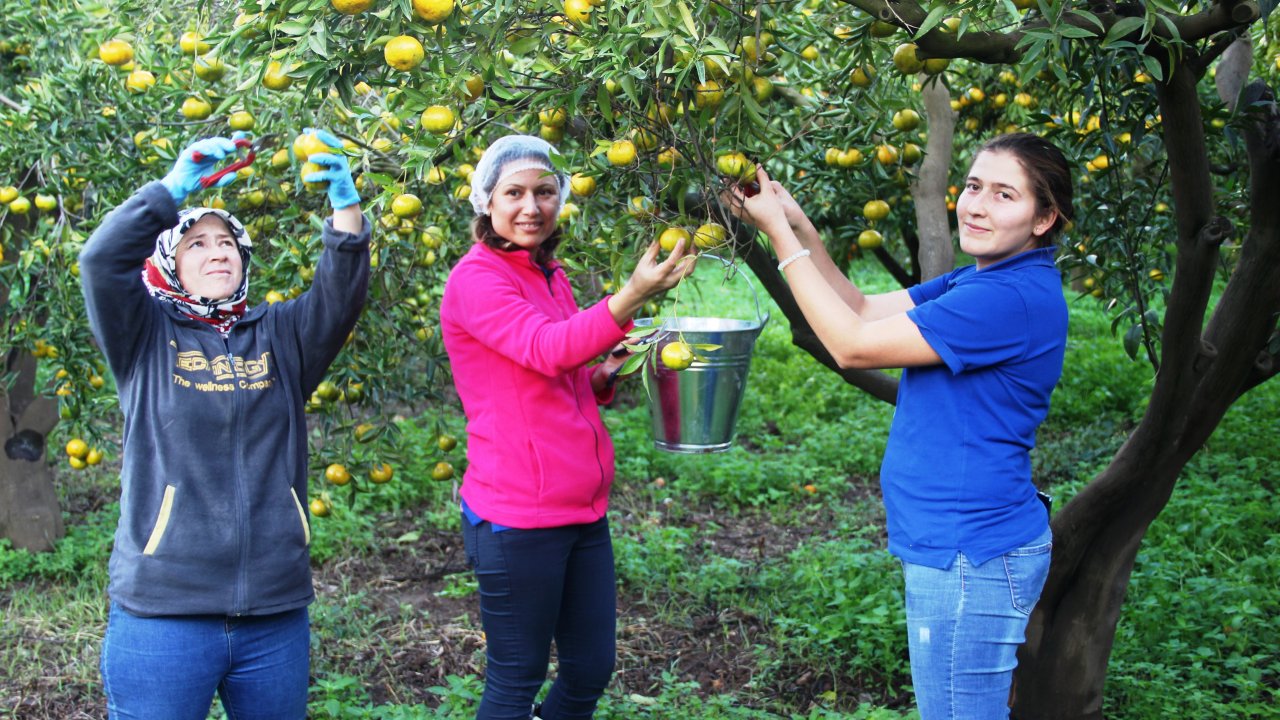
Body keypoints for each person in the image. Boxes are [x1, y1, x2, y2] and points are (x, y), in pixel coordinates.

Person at [724, 132, 1073, 720]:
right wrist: (798, 224)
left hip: (971, 554)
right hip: (959, 546)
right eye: (973, 186)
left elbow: (852, 346)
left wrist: (778, 237)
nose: (976, 205)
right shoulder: (980, 281)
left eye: (1004, 195)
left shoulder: (1008, 299)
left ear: (1044, 218)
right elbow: (860, 307)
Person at [79, 128, 370, 719]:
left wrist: (346, 209)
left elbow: (339, 300)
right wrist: (170, 190)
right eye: (195, 243)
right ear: (166, 262)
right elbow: (100, 260)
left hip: (274, 613)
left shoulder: (281, 336)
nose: (217, 252)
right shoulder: (142, 336)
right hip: (164, 613)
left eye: (227, 243)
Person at [439, 134, 693, 720]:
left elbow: (557, 374)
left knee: (588, 670)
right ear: (486, 202)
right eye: (515, 193)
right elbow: (547, 349)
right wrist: (629, 296)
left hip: (580, 507)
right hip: (518, 516)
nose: (531, 207)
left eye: (545, 192)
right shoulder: (477, 279)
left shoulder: (549, 275)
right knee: (516, 678)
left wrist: (604, 374)